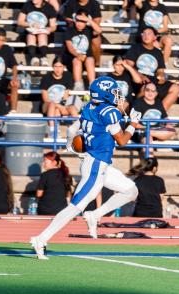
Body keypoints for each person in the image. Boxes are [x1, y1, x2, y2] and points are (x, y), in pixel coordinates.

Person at [30, 76, 141, 260]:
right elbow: (122, 140)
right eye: (114, 92)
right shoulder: (109, 112)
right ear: (106, 94)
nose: (118, 96)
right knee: (75, 206)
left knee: (131, 191)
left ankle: (95, 215)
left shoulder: (89, 107)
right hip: (96, 165)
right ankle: (40, 239)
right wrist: (133, 124)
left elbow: (74, 129)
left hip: (96, 162)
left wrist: (70, 146)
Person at [125, 26, 179, 110]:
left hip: (153, 80)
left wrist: (161, 76)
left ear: (155, 37)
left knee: (176, 88)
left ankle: (159, 113)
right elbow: (129, 66)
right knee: (147, 88)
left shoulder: (157, 52)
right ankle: (135, 112)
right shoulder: (135, 48)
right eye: (144, 34)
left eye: (149, 34)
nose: (146, 36)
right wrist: (140, 75)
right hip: (138, 80)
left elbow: (160, 70)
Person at [131, 82, 176, 155]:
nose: (150, 93)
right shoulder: (137, 103)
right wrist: (145, 129)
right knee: (148, 141)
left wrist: (168, 124)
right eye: (147, 90)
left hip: (155, 131)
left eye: (153, 91)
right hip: (142, 131)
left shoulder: (158, 102)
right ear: (144, 91)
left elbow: (165, 117)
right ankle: (150, 161)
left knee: (171, 129)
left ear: (156, 93)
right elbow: (134, 123)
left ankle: (150, 132)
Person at [63, 9, 101, 90]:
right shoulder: (69, 30)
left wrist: (88, 20)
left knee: (90, 59)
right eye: (78, 20)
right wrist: (77, 55)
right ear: (74, 20)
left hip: (86, 59)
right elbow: (70, 47)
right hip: (73, 58)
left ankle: (92, 85)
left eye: (82, 21)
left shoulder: (88, 30)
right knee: (77, 61)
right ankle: (78, 86)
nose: (80, 23)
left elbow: (99, 30)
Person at [39, 56, 77, 135]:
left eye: (60, 66)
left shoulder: (68, 76)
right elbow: (45, 99)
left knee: (72, 108)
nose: (58, 69)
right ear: (52, 67)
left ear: (64, 67)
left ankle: (76, 130)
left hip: (62, 104)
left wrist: (60, 107)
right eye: (56, 66)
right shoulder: (46, 78)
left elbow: (65, 97)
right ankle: (52, 131)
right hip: (47, 105)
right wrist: (59, 106)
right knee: (52, 105)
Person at [17, 0, 57, 66]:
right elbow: (20, 21)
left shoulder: (49, 7)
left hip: (44, 34)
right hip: (30, 31)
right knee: (31, 35)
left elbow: (53, 27)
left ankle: (44, 57)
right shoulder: (27, 5)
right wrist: (30, 24)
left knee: (42, 35)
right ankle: (34, 58)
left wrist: (48, 29)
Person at [63, 0, 102, 67]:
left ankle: (97, 63)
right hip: (74, 31)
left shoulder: (94, 4)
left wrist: (87, 20)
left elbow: (97, 25)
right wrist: (77, 24)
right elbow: (68, 20)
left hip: (89, 31)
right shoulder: (71, 3)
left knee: (96, 39)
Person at [134, 0, 173, 64]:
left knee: (168, 40)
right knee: (152, 44)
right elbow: (136, 2)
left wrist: (154, 34)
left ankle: (163, 65)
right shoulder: (144, 4)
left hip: (155, 35)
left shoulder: (162, 7)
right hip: (143, 35)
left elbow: (165, 28)